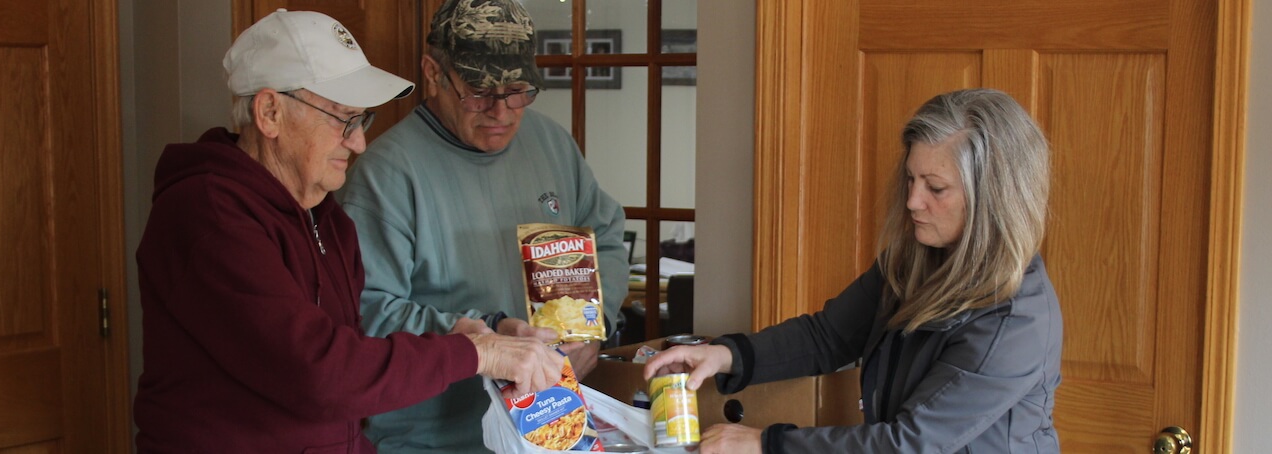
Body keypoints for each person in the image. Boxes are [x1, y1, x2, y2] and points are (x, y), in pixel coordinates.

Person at [132, 9, 567, 453]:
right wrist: (478, 353)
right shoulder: (209, 215)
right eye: (342, 118)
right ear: (269, 112)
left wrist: (479, 330)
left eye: (361, 121)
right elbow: (318, 373)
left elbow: (357, 350)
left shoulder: (325, 215)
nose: (358, 142)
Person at [646, 88, 1062, 453]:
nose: (913, 201)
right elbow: (827, 337)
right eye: (911, 179)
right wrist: (723, 355)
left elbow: (910, 443)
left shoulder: (1016, 320)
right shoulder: (912, 261)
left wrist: (765, 443)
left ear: (993, 198)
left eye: (935, 188)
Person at [335, 0, 630, 451]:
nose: (502, 111)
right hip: (434, 437)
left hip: (551, 425)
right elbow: (368, 312)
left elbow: (605, 238)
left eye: (518, 91)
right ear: (432, 73)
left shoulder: (552, 143)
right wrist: (487, 336)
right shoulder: (385, 174)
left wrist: (595, 325)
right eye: (478, 91)